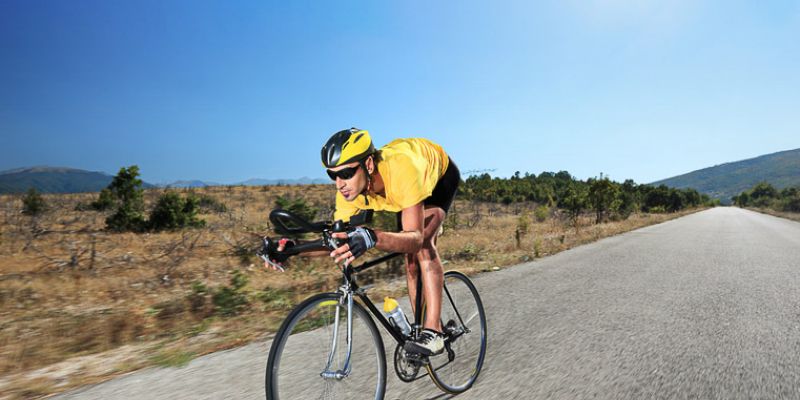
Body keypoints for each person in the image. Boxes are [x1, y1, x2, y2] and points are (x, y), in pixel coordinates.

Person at [264, 127, 460, 356]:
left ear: (368, 164)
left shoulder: (403, 169)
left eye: (346, 173)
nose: (339, 183)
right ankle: (419, 333)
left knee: (423, 246)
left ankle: (434, 331)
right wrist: (293, 249)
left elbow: (415, 240)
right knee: (410, 264)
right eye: (332, 175)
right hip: (400, 194)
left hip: (436, 176)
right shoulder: (347, 191)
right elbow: (336, 240)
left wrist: (372, 236)